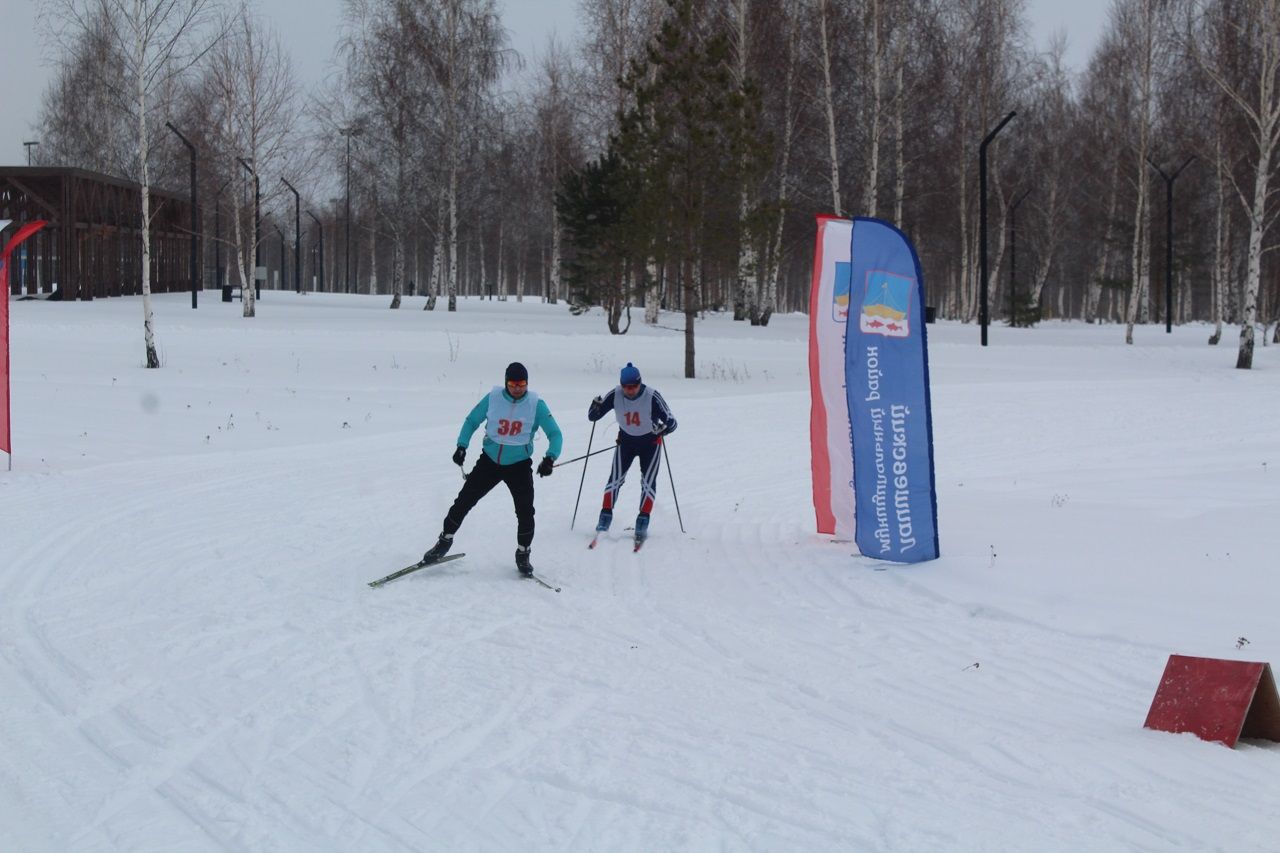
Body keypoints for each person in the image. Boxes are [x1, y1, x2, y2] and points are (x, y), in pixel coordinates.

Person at [422, 362, 563, 576]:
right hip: (489, 462)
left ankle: (523, 554)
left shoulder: (536, 404)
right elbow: (471, 421)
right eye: (513, 384)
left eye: (522, 384)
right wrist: (462, 446)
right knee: (464, 501)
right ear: (506, 382)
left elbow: (555, 434)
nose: (518, 388)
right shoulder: (493, 398)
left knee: (525, 511)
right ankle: (444, 541)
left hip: (519, 465)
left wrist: (550, 458)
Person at [588, 362, 677, 542]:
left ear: (640, 383)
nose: (630, 390)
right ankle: (604, 519)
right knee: (615, 479)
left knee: (648, 482)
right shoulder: (615, 394)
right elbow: (593, 417)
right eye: (626, 387)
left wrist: (664, 429)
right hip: (626, 442)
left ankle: (642, 521)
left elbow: (673, 422)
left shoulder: (652, 396)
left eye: (634, 386)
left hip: (650, 444)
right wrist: (595, 406)